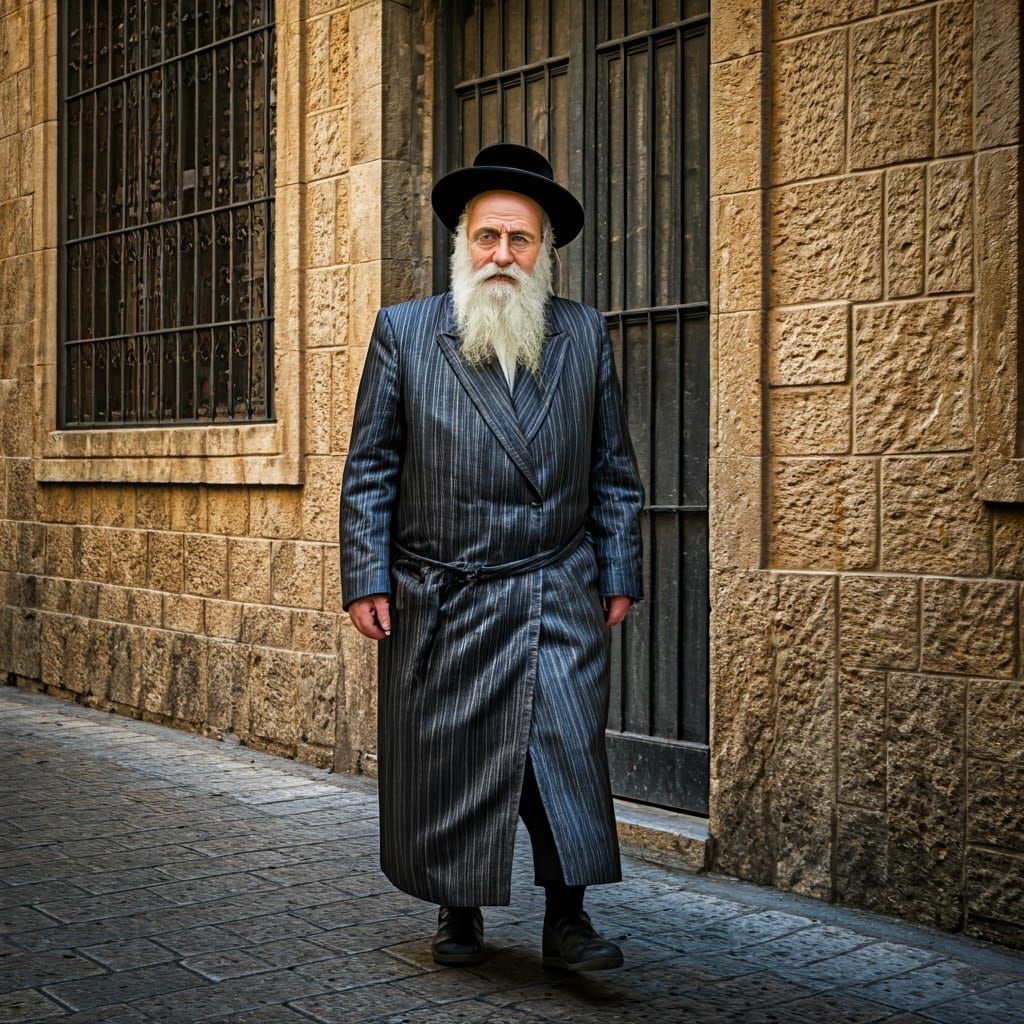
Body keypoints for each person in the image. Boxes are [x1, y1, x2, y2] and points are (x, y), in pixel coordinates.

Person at [339, 143, 643, 972]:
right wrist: (366, 577)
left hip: (556, 584)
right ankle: (458, 908)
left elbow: (613, 468)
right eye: (487, 236)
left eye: (520, 239)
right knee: (453, 757)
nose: (502, 254)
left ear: (544, 251)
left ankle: (568, 920)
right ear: (463, 244)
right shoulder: (406, 332)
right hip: (445, 591)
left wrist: (618, 569)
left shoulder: (583, 333)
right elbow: (371, 466)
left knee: (564, 752)